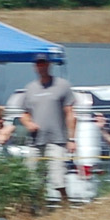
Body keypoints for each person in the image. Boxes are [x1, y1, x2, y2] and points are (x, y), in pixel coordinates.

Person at [16, 57, 75, 205]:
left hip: (57, 139)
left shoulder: (62, 85)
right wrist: (28, 123)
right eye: (38, 64)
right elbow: (24, 114)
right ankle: (36, 206)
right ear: (34, 67)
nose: (41, 67)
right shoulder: (30, 88)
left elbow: (70, 113)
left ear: (49, 65)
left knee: (58, 177)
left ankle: (65, 204)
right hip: (36, 141)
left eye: (43, 63)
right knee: (32, 176)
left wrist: (71, 139)